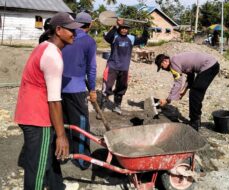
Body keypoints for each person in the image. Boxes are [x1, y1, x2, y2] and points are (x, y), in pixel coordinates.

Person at [14, 12, 82, 189]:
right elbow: (54, 100)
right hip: (38, 118)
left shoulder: (43, 46)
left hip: (26, 111)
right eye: (71, 31)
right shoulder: (53, 57)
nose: (74, 34)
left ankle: (57, 186)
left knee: (49, 157)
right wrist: (61, 135)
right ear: (58, 30)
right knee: (38, 169)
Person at [61, 12, 97, 170]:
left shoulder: (65, 37)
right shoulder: (89, 41)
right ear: (89, 25)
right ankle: (82, 159)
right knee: (81, 123)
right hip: (76, 89)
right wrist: (93, 89)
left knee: (63, 122)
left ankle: (62, 155)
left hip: (59, 88)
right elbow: (92, 68)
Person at [155, 52, 220, 131]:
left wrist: (167, 100)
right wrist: (184, 90)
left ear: (165, 61)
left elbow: (178, 83)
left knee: (195, 93)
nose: (163, 69)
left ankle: (194, 123)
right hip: (212, 65)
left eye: (162, 67)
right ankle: (197, 120)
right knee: (196, 93)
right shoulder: (177, 60)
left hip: (209, 66)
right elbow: (190, 75)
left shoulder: (173, 64)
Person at [101, 19, 149, 115]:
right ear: (119, 28)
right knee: (107, 86)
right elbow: (107, 38)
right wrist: (115, 26)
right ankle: (102, 106)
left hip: (124, 68)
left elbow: (143, 39)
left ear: (128, 29)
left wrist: (145, 28)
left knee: (121, 88)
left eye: (126, 28)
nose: (124, 30)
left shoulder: (131, 38)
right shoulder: (114, 36)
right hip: (112, 66)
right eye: (122, 28)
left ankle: (117, 106)